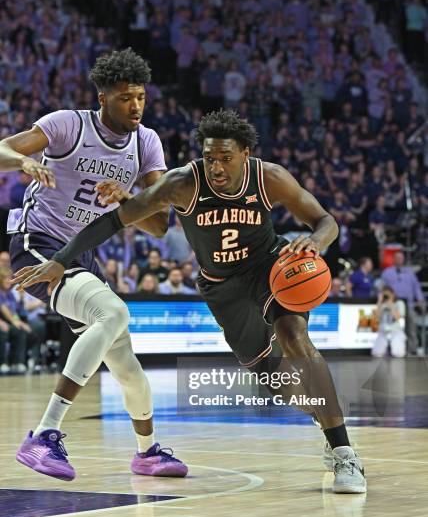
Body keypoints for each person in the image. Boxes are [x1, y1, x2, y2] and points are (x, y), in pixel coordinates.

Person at [13, 110, 367, 494]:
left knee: (295, 337)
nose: (216, 166)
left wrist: (316, 242)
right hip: (222, 288)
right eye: (210, 157)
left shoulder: (269, 177)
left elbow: (326, 220)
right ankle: (324, 415)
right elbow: (115, 221)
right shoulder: (183, 182)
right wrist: (62, 259)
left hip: (271, 270)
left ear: (246, 153)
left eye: (225, 158)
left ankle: (344, 451)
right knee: (272, 381)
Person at [0, 48, 188, 481]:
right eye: (125, 97)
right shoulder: (68, 124)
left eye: (141, 96)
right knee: (114, 312)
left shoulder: (146, 142)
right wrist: (25, 161)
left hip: (83, 255)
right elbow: (4, 149)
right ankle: (43, 435)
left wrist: (127, 198)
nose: (136, 105)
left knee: (124, 359)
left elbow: (160, 225)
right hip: (39, 243)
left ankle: (147, 452)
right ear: (102, 98)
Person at [381, 251, 425, 355]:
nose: (399, 260)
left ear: (403, 259)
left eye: (401, 258)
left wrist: (420, 299)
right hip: (393, 305)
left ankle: (412, 349)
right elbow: (382, 287)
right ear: (394, 259)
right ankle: (390, 348)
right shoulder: (387, 272)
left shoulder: (410, 272)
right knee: (391, 326)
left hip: (408, 305)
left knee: (411, 327)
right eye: (397, 258)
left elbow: (416, 287)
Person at [372, 286, 406, 358]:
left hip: (395, 330)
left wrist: (391, 304)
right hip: (383, 331)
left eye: (388, 295)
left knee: (398, 354)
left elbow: (398, 317)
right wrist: (379, 302)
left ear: (393, 294)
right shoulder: (382, 305)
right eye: (385, 295)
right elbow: (376, 318)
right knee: (376, 353)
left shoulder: (399, 303)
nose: (386, 297)